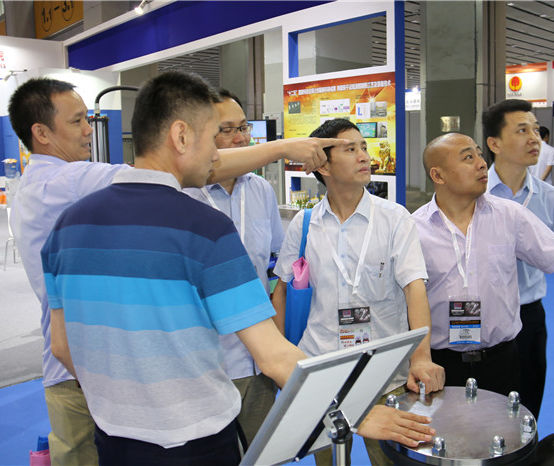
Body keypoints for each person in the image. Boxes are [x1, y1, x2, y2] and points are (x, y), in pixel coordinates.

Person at [41, 72, 436, 464]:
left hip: (115, 438)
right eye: (214, 137)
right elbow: (272, 354)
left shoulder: (68, 225)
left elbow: (62, 346)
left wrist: (121, 405)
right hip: (198, 438)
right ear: (181, 136)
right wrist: (355, 412)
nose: (218, 156)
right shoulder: (205, 228)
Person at [272, 118, 445, 466]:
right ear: (323, 166)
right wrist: (281, 363)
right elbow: (282, 294)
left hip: (384, 373)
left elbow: (415, 288)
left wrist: (421, 356)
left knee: (391, 459)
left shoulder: (395, 218)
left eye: (363, 147)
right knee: (331, 461)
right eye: (350, 149)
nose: (364, 156)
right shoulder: (304, 225)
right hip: (323, 371)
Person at [412, 132, 554, 400]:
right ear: (438, 175)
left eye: (480, 154)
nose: (482, 163)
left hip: (501, 361)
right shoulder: (414, 229)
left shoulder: (510, 216)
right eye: (468, 158)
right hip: (440, 366)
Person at [184, 89, 283, 446]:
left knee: (261, 451)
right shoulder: (182, 195)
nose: (240, 138)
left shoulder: (261, 190)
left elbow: (274, 264)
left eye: (244, 127)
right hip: (202, 363)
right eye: (226, 130)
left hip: (258, 359)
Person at [483, 99, 554, 419]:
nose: (534, 138)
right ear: (494, 144)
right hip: (482, 315)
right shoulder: (474, 196)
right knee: (480, 410)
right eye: (522, 130)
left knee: (528, 407)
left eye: (535, 130)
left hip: (529, 314)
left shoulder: (552, 199)